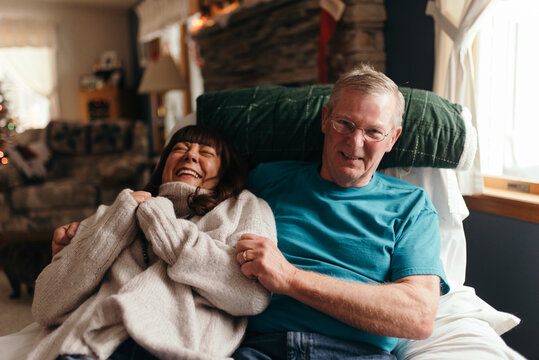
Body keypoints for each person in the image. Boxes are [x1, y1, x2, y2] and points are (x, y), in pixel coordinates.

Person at [53, 65, 450, 359]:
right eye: (345, 123)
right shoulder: (266, 180)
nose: (355, 142)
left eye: (373, 131)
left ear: (393, 138)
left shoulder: (411, 206)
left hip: (354, 353)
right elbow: (188, 205)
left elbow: (416, 316)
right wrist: (88, 235)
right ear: (326, 119)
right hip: (253, 349)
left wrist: (291, 279)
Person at [29, 125, 277, 360]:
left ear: (224, 170)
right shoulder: (119, 209)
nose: (190, 156)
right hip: (89, 347)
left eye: (206, 152)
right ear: (163, 163)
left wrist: (162, 224)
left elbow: (251, 295)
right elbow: (45, 306)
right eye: (180, 148)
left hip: (176, 351)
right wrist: (116, 222)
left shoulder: (244, 208)